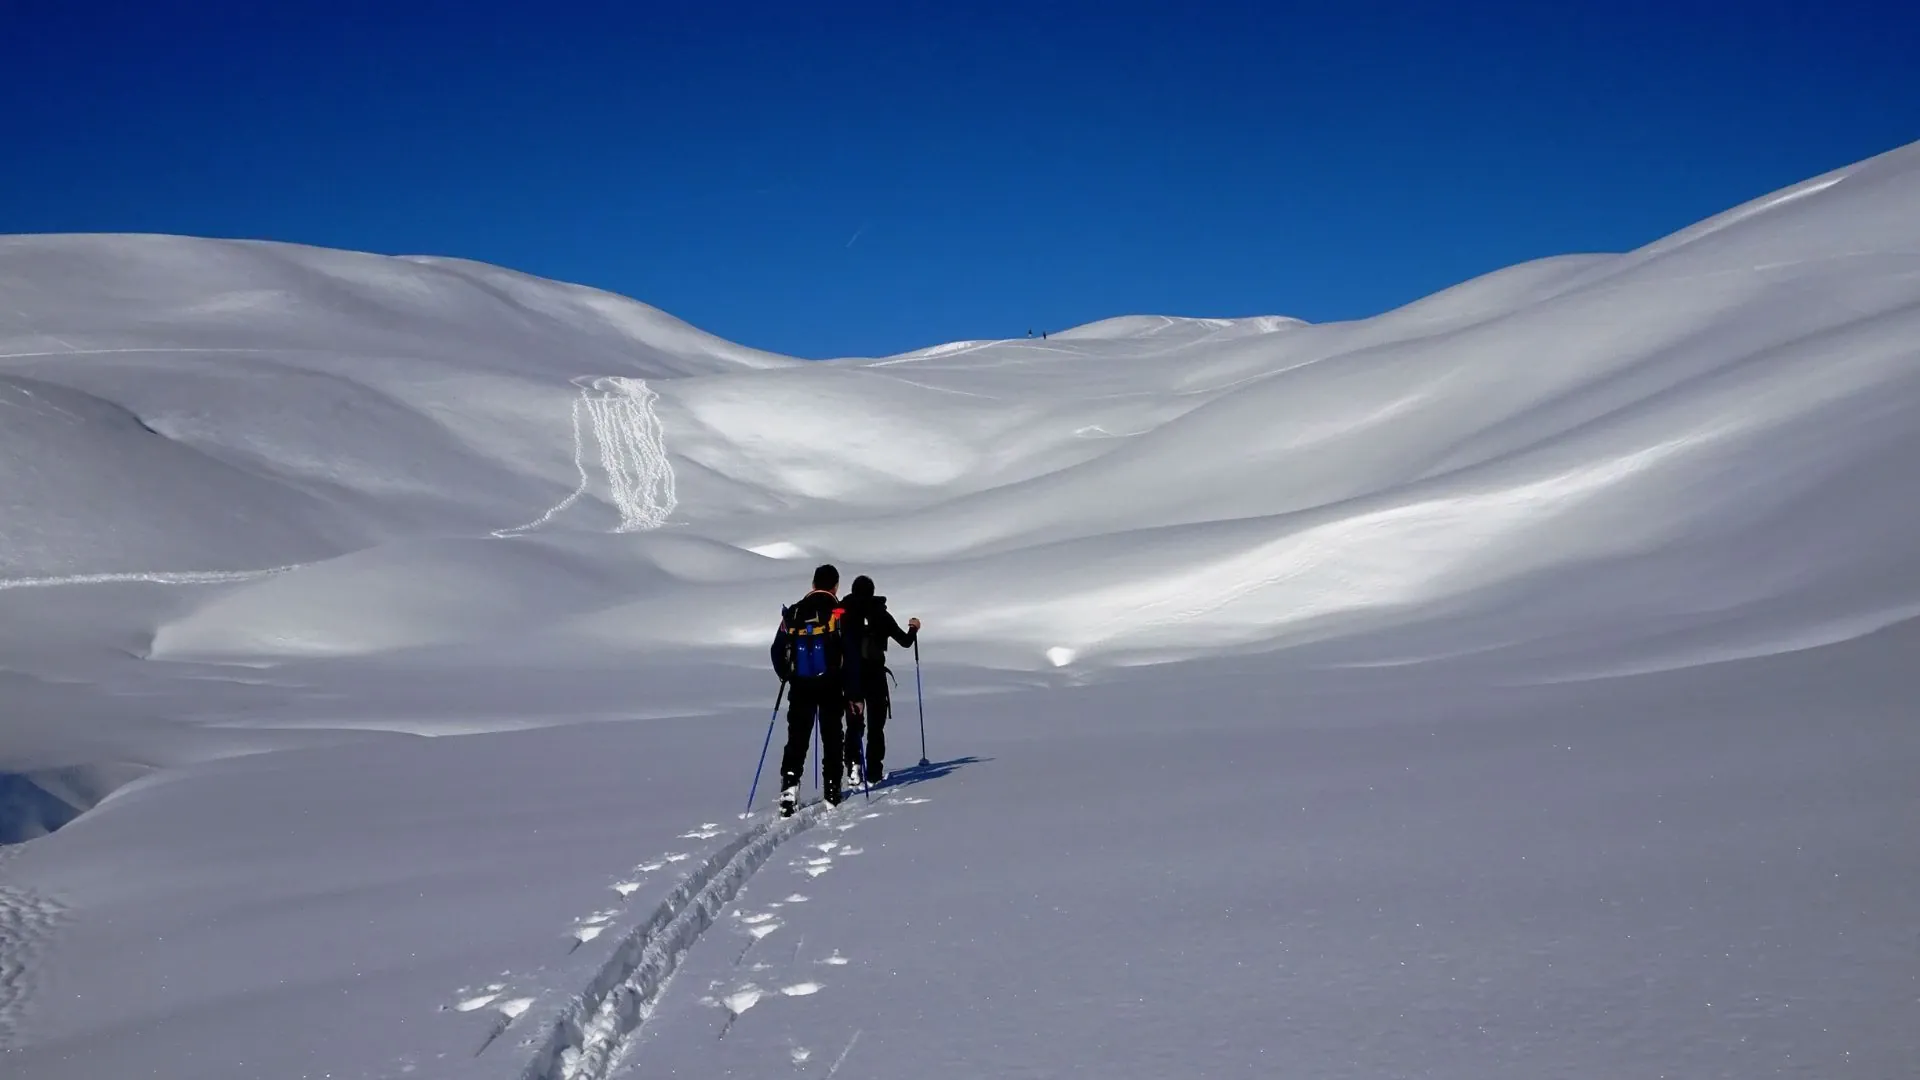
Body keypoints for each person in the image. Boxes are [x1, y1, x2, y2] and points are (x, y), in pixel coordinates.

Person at [770, 564, 853, 815]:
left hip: (800, 685)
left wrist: (786, 675)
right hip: (831, 684)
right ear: (835, 586)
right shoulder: (839, 612)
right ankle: (832, 789)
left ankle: (789, 789)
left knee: (797, 738)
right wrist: (853, 689)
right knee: (832, 736)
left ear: (813, 584)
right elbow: (850, 652)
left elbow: (777, 649)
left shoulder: (794, 611)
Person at [837, 575, 920, 787]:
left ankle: (853, 766)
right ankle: (874, 770)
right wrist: (913, 628)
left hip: (851, 676)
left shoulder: (842, 612)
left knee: (854, 723)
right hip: (875, 676)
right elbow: (905, 641)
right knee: (876, 725)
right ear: (872, 592)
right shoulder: (881, 613)